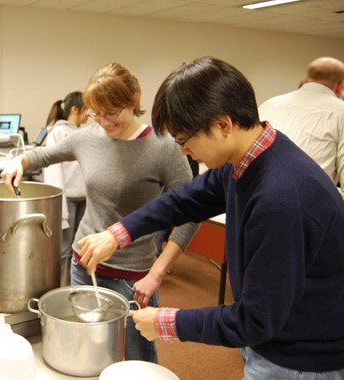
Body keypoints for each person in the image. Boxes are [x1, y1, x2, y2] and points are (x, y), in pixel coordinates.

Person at [77, 57, 344, 378]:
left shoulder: (280, 198)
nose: (183, 152)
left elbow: (256, 320)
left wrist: (165, 322)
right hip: (272, 337)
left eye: (183, 140)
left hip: (300, 359)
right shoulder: (246, 159)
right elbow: (186, 200)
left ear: (222, 125)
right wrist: (119, 233)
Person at [1, 62, 199, 362]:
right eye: (97, 113)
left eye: (113, 112)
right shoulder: (88, 138)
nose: (105, 121)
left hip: (134, 278)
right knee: (89, 352)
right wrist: (21, 162)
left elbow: (191, 211)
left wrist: (157, 272)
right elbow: (46, 154)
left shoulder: (162, 148)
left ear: (133, 101)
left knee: (138, 358)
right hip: (84, 266)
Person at [258, 56, 344, 198]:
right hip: (307, 208)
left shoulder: (268, 104)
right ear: (340, 83)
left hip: (256, 200)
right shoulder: (340, 112)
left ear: (305, 79)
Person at [43, 91, 89, 285]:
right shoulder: (58, 133)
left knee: (78, 249)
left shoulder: (84, 133)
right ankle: (59, 290)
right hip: (67, 200)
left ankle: (73, 288)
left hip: (82, 199)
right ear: (74, 109)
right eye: (86, 109)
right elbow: (54, 171)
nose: (89, 114)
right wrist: (59, 206)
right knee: (63, 251)